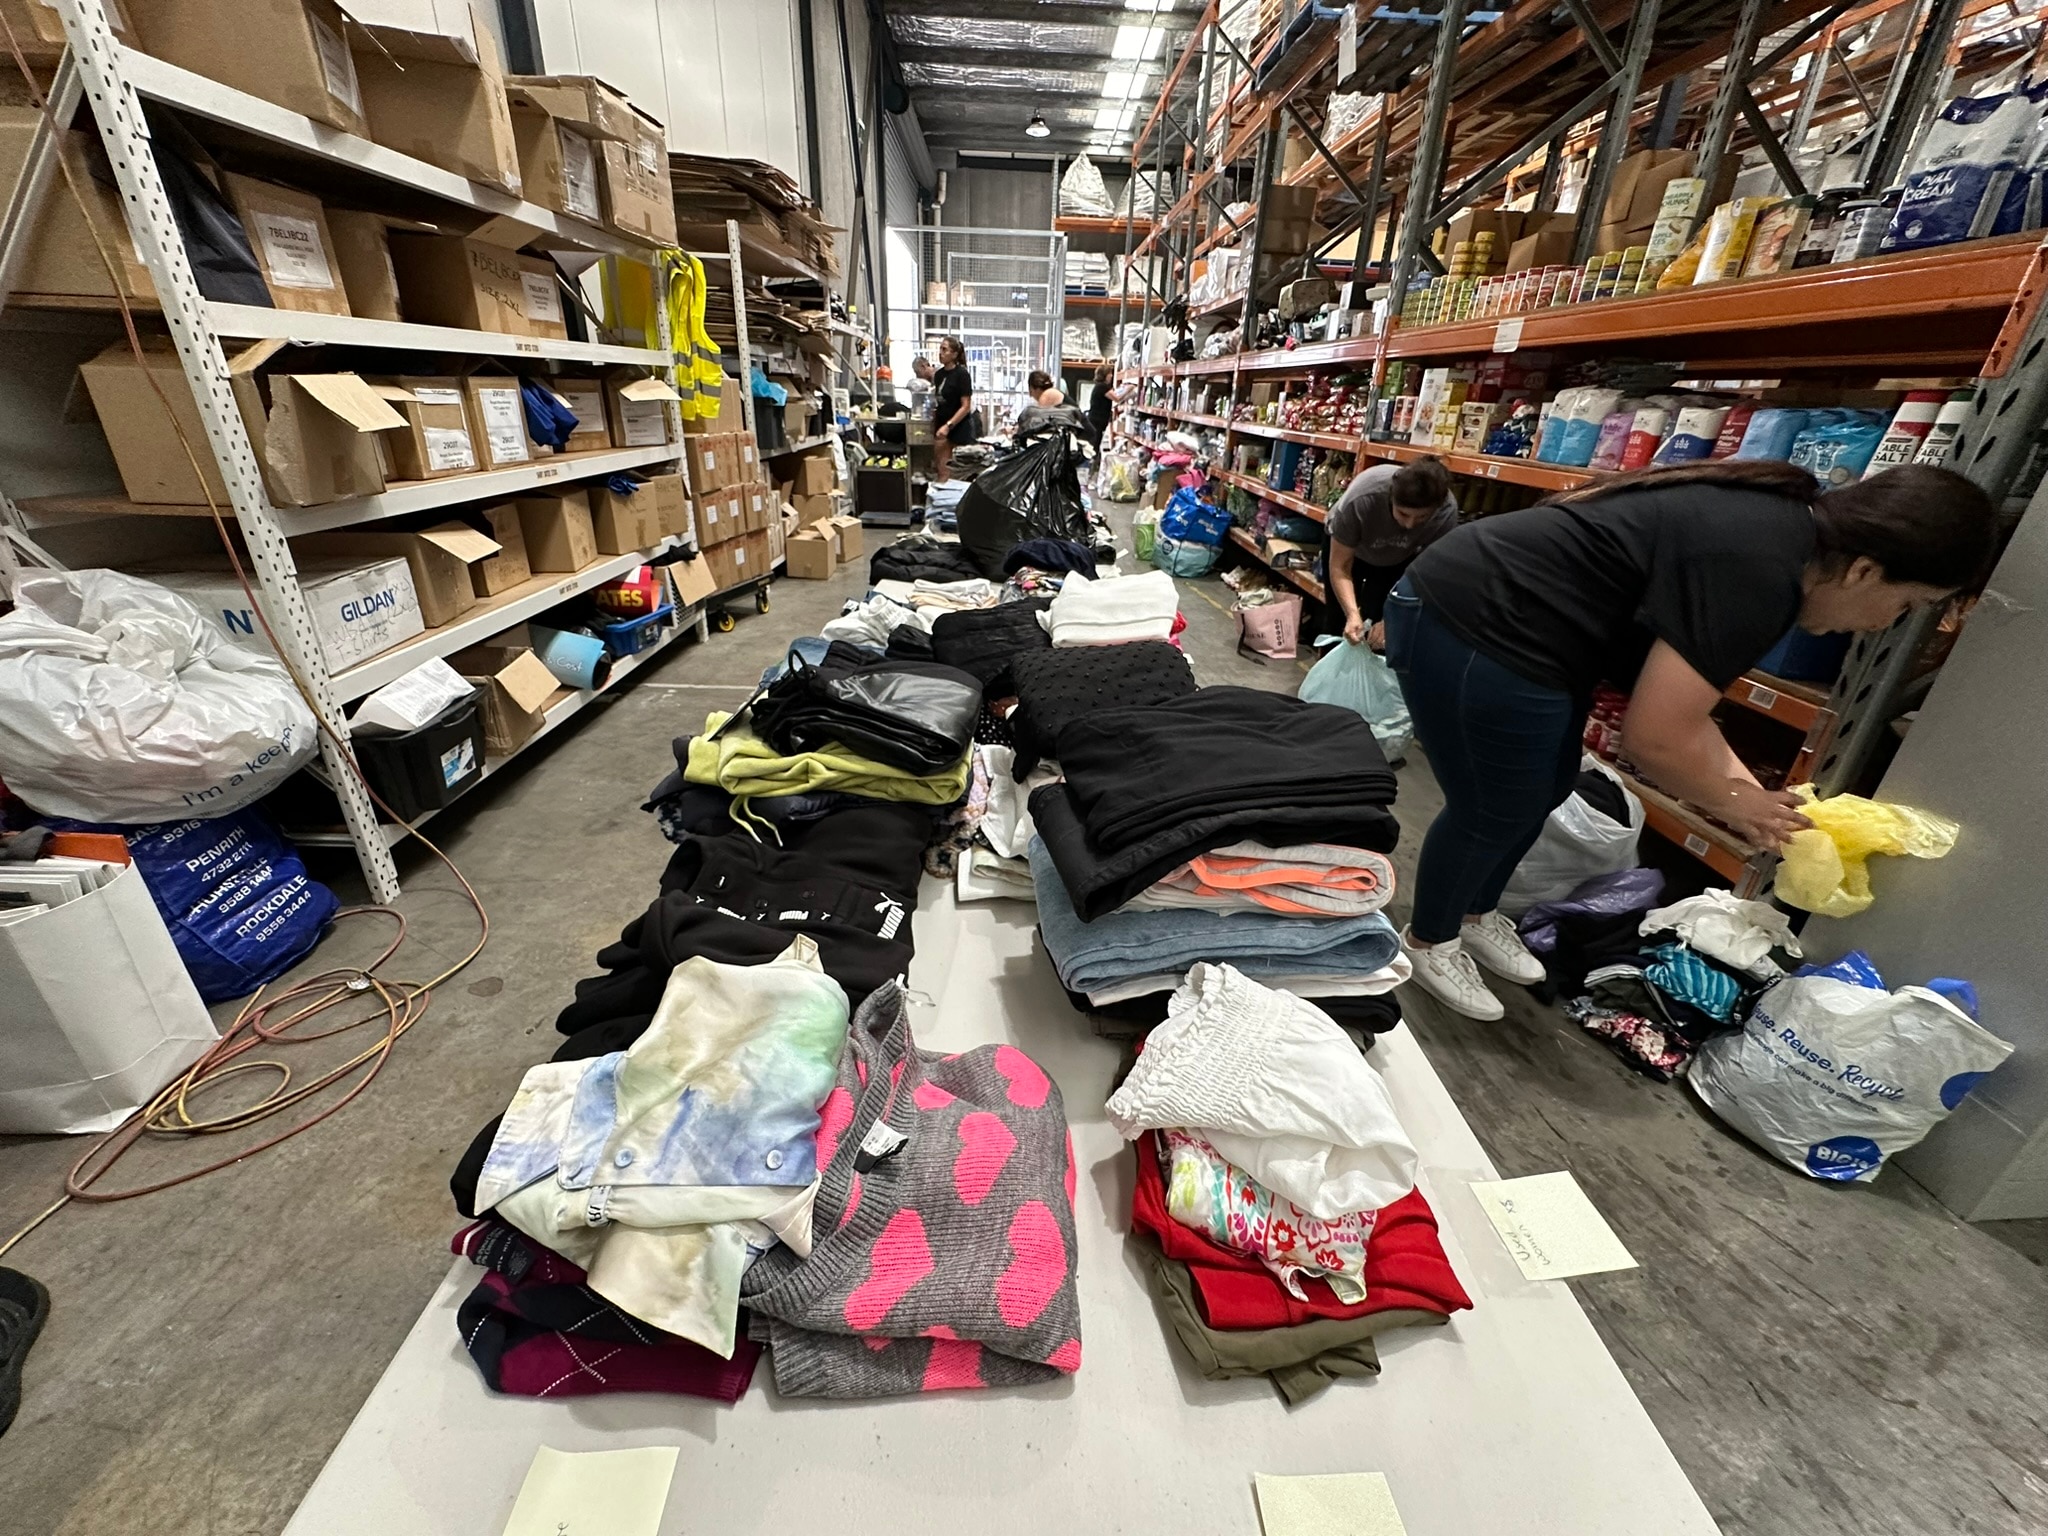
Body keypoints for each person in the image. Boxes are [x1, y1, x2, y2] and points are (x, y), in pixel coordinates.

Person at [1381, 459, 1996, 1023]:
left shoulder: (1785, 537)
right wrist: (1736, 805)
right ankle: (1430, 940)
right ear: (1865, 569)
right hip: (1474, 618)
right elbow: (1654, 740)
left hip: (1527, 630)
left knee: (1546, 783)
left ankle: (1474, 913)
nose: (1888, 623)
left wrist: (1757, 799)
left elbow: (1688, 721)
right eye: (1907, 603)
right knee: (1494, 805)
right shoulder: (1763, 572)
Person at [1327, 457, 1458, 651]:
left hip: (1399, 559)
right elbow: (1340, 566)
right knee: (1340, 623)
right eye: (1403, 514)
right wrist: (1352, 613)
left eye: (1422, 517)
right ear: (1390, 499)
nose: (1410, 525)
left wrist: (1391, 619)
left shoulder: (1446, 513)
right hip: (1353, 552)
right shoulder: (1362, 499)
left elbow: (1427, 576)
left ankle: (1369, 678)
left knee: (1379, 629)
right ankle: (1331, 677)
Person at [931, 336, 976, 480]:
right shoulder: (939, 375)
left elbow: (965, 406)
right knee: (942, 470)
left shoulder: (961, 375)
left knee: (958, 474)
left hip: (958, 427)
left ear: (954, 354)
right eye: (940, 349)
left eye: (945, 350)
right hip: (942, 426)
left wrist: (949, 426)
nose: (941, 353)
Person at [1086, 360, 1120, 444]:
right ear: (1105, 375)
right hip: (1096, 422)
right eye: (1109, 373)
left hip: (1096, 422)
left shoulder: (1099, 387)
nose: (1111, 376)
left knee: (1095, 444)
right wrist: (1130, 389)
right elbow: (1117, 398)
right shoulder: (1102, 387)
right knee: (1095, 445)